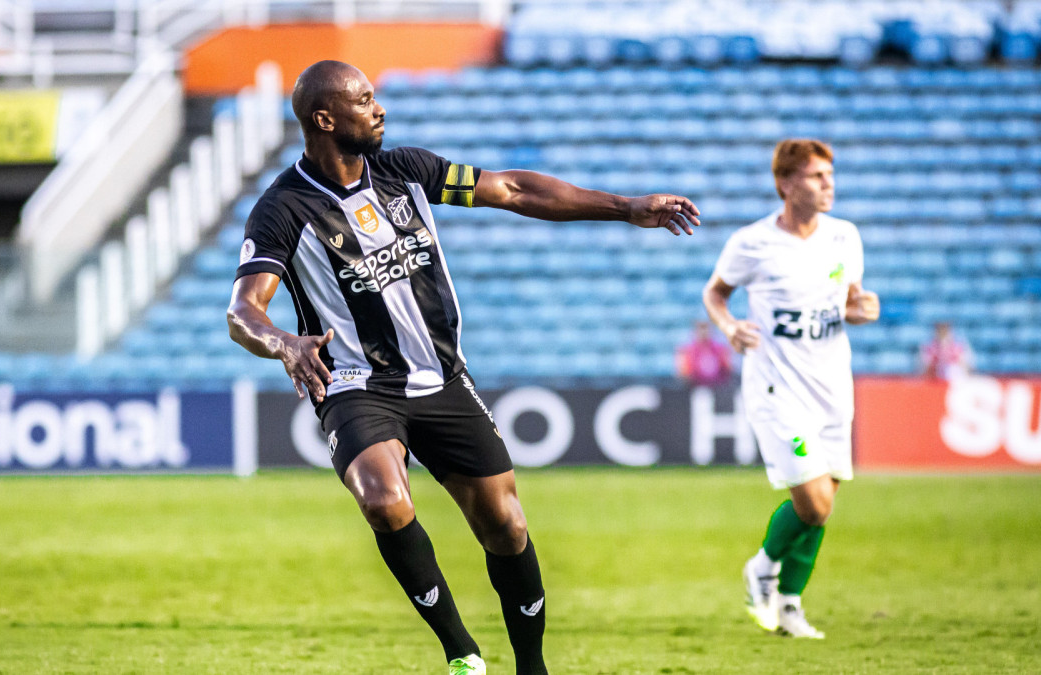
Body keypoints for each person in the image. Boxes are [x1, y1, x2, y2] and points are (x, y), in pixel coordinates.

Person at [226, 60, 700, 674]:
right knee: (384, 500)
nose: (379, 108)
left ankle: (532, 666)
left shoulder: (406, 170)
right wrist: (284, 344)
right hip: (358, 385)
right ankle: (462, 653)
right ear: (325, 119)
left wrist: (625, 206)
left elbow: (513, 190)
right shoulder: (283, 208)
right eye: (365, 99)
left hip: (442, 379)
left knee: (505, 526)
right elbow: (243, 310)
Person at [702, 139, 879, 639]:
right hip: (777, 387)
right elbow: (714, 292)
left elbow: (849, 301)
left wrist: (863, 309)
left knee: (823, 502)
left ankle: (789, 603)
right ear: (785, 184)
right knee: (815, 503)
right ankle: (761, 567)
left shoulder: (845, 237)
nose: (829, 184)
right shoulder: (751, 242)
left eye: (830, 175)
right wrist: (729, 326)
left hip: (831, 384)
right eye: (816, 176)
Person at [675, 320, 734, 387]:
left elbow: (729, 370)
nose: (703, 332)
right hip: (694, 388)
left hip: (718, 388)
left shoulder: (720, 349)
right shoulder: (687, 351)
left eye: (706, 327)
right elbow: (683, 375)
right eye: (701, 328)